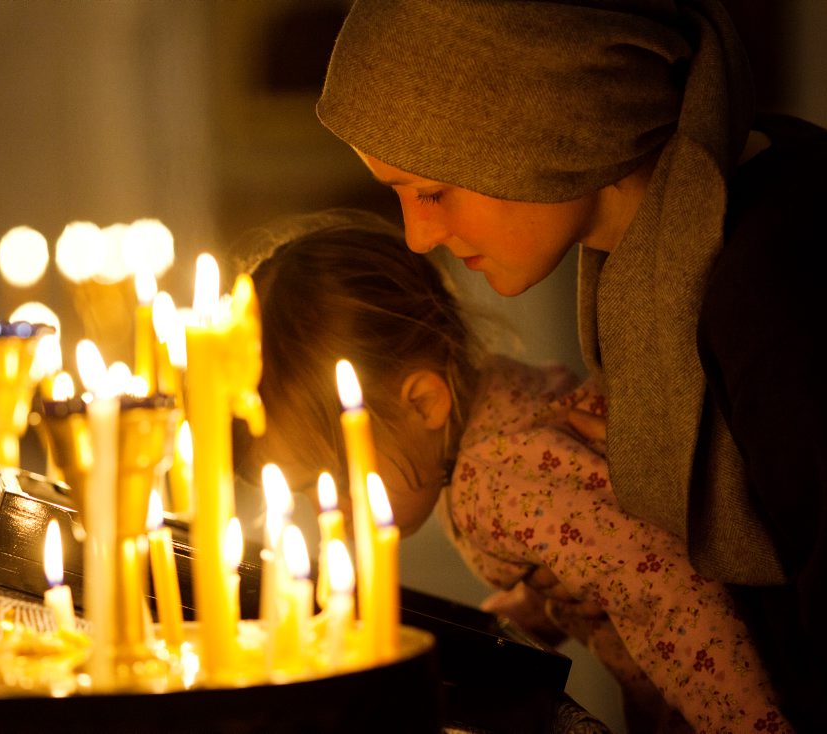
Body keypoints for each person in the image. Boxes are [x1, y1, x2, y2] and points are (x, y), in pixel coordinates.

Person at [313, 1, 827, 731]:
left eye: (433, 190)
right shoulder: (665, 251)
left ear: (546, 123)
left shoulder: (783, 278)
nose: (417, 236)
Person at [233, 209, 791, 733]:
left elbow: (662, 584)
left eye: (331, 485)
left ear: (425, 403)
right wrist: (525, 616)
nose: (329, 515)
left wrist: (743, 723)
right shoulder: (492, 398)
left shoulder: (490, 483)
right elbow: (589, 542)